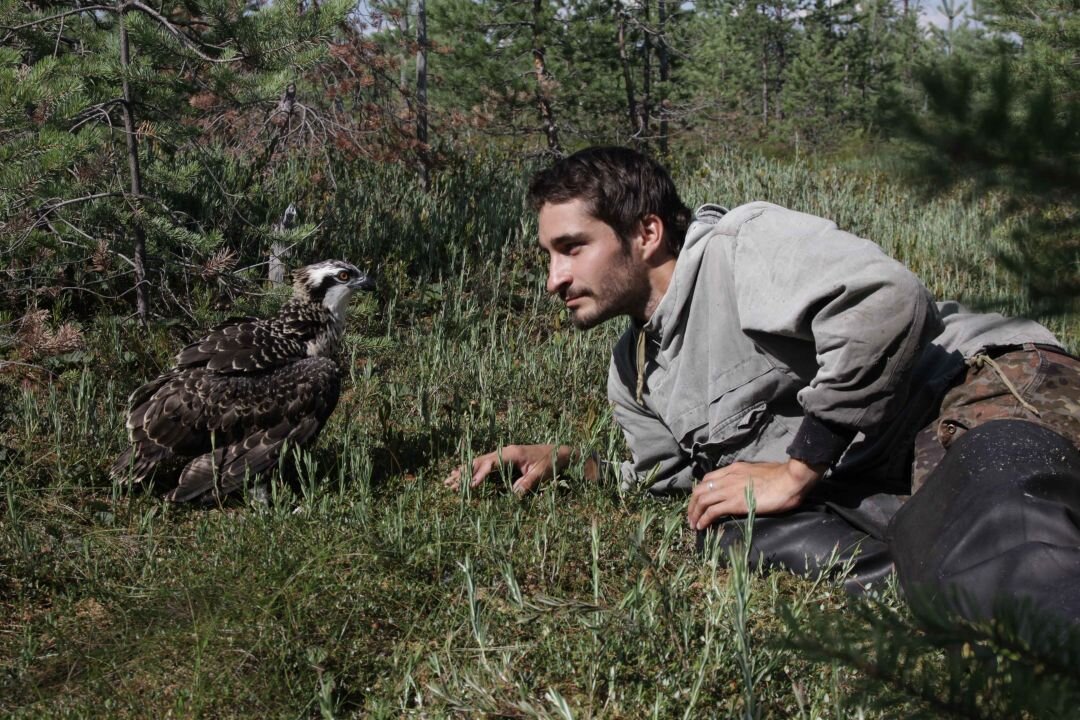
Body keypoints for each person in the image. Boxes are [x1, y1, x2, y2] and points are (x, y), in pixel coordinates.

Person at [444, 146, 1080, 624]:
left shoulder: (736, 246)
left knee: (1018, 539)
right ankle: (943, 578)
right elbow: (681, 483)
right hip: (872, 474)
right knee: (726, 528)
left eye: (571, 248)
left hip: (973, 393)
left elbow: (887, 302)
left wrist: (799, 469)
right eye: (548, 257)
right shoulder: (634, 373)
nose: (553, 278)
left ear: (645, 233)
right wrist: (569, 464)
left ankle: (1012, 583)